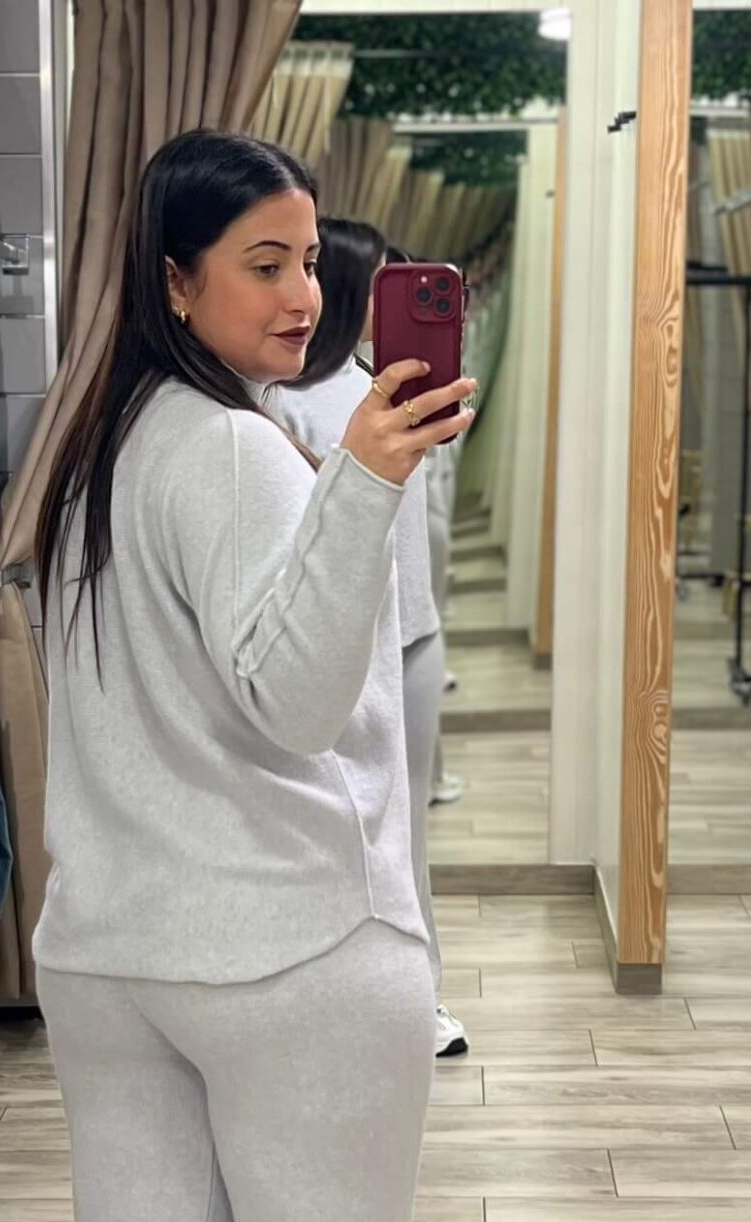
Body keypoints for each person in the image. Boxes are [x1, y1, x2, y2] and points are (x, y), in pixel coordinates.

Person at [11, 128, 486, 1222]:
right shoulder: (243, 457)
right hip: (289, 958)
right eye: (261, 265)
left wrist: (339, 474)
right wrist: (362, 484)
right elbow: (295, 706)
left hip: (115, 961)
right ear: (176, 282)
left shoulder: (96, 446)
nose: (300, 295)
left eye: (307, 258)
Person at [268, 220, 469, 1060]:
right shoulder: (283, 402)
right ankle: (337, 999)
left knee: (406, 835)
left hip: (412, 634)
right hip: (337, 645)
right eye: (386, 283)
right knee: (330, 835)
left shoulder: (394, 391)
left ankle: (418, 999)